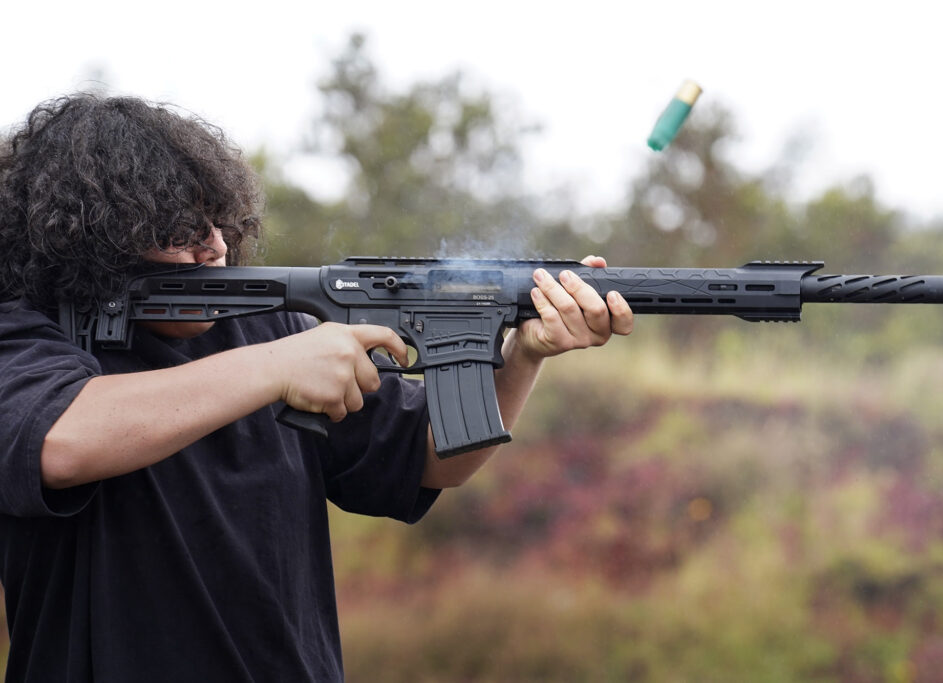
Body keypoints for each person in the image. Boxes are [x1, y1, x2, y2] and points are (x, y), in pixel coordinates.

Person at [0, 93, 633, 681]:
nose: (214, 247)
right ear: (91, 244)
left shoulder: (265, 324)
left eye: (215, 221)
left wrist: (523, 354)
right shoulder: (26, 337)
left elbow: (435, 457)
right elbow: (60, 439)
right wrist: (279, 366)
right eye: (177, 232)